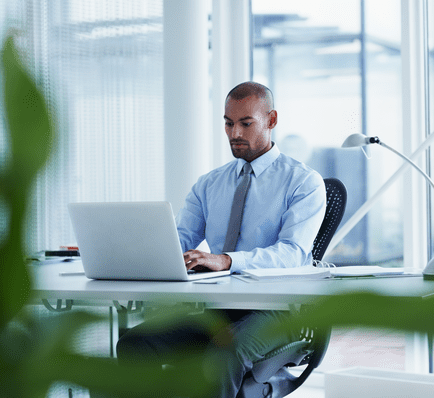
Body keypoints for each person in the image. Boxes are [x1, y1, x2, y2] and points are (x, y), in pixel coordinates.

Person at [116, 82, 326, 397]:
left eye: (246, 123)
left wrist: (227, 260)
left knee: (224, 355)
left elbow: (293, 252)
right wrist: (136, 247)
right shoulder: (210, 184)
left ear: (271, 120)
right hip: (220, 309)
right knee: (135, 342)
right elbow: (181, 238)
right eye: (228, 123)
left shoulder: (303, 182)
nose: (234, 133)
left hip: (277, 312)